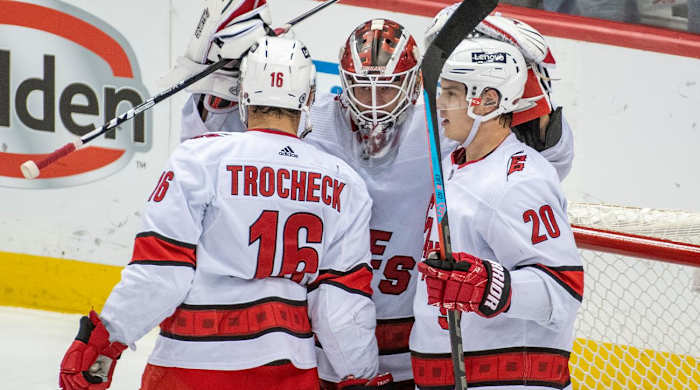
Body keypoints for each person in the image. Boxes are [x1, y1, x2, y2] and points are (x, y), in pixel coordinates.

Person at [173, 2, 575, 388]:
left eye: (386, 90)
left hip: (415, 348)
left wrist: (532, 93)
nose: (374, 106)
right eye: (363, 90)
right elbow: (221, 153)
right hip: (318, 339)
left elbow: (541, 161)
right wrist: (228, 84)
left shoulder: (444, 126)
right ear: (340, 83)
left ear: (415, 83)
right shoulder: (312, 125)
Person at [58, 35, 390, 390]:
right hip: (288, 371)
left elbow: (161, 274)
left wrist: (106, 341)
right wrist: (361, 376)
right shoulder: (345, 184)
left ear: (244, 94)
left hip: (189, 367)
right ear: (309, 97)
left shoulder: (197, 160)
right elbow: (340, 308)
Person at [410, 35, 582, 389]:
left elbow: (564, 290)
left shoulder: (521, 181)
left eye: (453, 93)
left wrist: (488, 285)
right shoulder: (453, 165)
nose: (440, 102)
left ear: (487, 101)